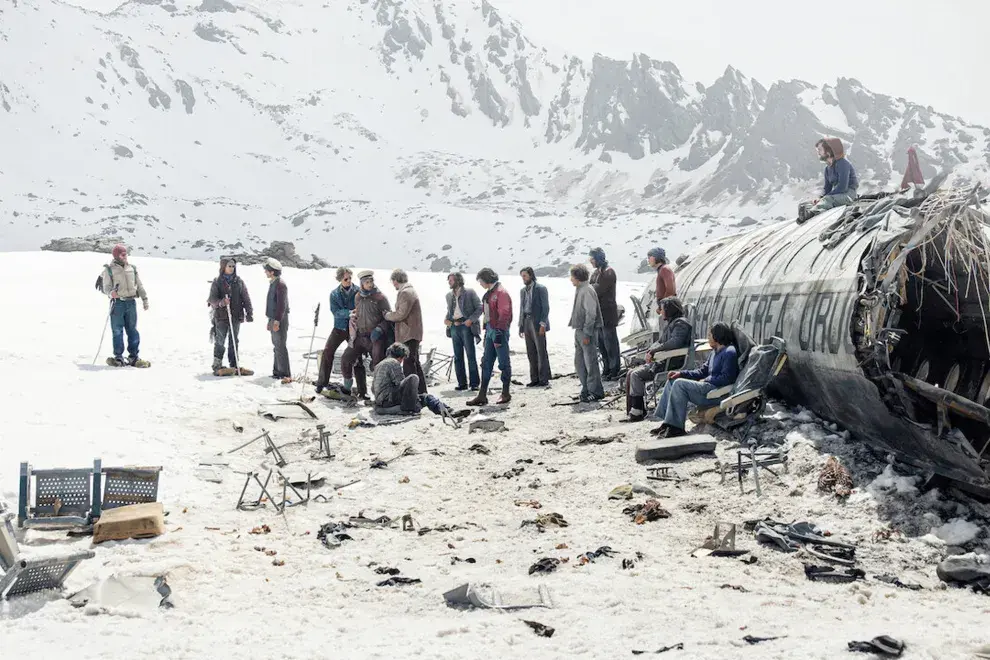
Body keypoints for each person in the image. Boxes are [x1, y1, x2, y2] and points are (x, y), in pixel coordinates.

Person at [650, 322, 739, 438]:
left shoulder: (729, 352)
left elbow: (727, 378)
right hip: (708, 387)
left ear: (717, 336)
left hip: (717, 392)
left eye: (709, 335)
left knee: (679, 385)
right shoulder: (714, 352)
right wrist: (681, 373)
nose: (708, 338)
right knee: (673, 381)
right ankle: (667, 423)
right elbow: (702, 371)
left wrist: (707, 380)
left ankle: (676, 428)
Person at [622, 297, 691, 422]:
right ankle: (635, 410)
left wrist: (655, 351)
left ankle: (637, 411)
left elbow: (675, 342)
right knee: (630, 373)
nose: (660, 311)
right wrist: (650, 351)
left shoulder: (680, 324)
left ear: (669, 310)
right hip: (663, 360)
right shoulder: (672, 324)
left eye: (663, 309)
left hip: (670, 362)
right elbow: (660, 342)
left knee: (635, 375)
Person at [341, 270, 391, 399]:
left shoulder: (381, 298)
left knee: (377, 365)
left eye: (371, 281)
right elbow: (358, 313)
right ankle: (349, 389)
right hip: (360, 336)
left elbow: (388, 318)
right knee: (347, 358)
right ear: (361, 284)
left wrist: (380, 329)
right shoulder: (358, 297)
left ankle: (380, 394)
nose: (369, 284)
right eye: (366, 282)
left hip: (375, 337)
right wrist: (354, 317)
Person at [467, 268, 513, 406]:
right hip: (490, 330)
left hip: (499, 331)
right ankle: (482, 394)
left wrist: (499, 333)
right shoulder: (490, 293)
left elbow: (504, 314)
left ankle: (505, 392)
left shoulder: (501, 293)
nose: (480, 283)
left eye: (480, 280)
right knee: (486, 363)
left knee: (503, 362)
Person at [100, 244, 150, 367]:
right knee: (117, 331)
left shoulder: (132, 268)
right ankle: (118, 357)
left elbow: (140, 285)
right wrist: (111, 293)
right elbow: (106, 287)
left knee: (132, 330)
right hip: (118, 304)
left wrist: (145, 299)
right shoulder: (109, 270)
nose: (125, 256)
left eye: (126, 254)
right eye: (122, 254)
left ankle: (133, 357)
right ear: (116, 256)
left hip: (131, 303)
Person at [207, 257, 253, 374]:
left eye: (233, 266)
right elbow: (212, 300)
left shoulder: (238, 281)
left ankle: (234, 363)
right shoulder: (217, 282)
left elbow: (245, 297)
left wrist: (249, 312)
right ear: (223, 267)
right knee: (220, 340)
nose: (232, 268)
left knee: (234, 340)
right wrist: (221, 302)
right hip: (221, 316)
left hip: (236, 315)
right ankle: (217, 364)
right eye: (229, 266)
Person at [316, 267, 358, 394]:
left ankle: (362, 389)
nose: (349, 281)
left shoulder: (358, 291)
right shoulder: (334, 294)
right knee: (328, 352)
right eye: (346, 279)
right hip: (339, 328)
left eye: (350, 278)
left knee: (357, 355)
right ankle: (322, 383)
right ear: (340, 279)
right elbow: (335, 312)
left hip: (354, 328)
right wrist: (349, 313)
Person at [385, 269, 427, 394]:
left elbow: (400, 314)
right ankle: (421, 391)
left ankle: (412, 393)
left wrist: (387, 315)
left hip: (408, 333)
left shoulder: (405, 293)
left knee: (409, 365)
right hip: (412, 332)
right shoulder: (410, 291)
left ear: (396, 280)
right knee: (415, 363)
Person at [568, 263, 605, 403]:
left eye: (572, 276)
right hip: (579, 330)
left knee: (590, 362)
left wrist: (588, 333)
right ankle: (586, 389)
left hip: (586, 331)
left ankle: (595, 391)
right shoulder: (580, 289)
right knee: (580, 363)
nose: (570, 279)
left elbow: (591, 313)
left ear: (577, 277)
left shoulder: (587, 290)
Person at [444, 272, 482, 391]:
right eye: (449, 280)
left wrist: (471, 320)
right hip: (454, 327)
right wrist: (446, 319)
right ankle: (462, 383)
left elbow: (480, 307)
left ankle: (474, 383)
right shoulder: (448, 296)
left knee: (471, 355)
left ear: (458, 280)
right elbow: (451, 311)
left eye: (451, 280)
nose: (449, 282)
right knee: (457, 356)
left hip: (466, 325)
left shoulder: (469, 292)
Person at [589, 248, 620, 380]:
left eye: (593, 258)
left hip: (607, 314)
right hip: (598, 314)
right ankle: (606, 369)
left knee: (610, 343)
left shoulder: (608, 272)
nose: (591, 261)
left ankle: (614, 370)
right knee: (601, 344)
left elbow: (596, 289)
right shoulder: (596, 273)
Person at [518, 267, 551, 387]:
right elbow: (521, 309)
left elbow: (546, 308)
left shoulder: (541, 289)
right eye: (522, 276)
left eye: (525, 276)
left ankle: (544, 378)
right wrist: (520, 326)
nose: (523, 278)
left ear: (531, 275)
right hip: (526, 321)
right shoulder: (522, 291)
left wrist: (543, 323)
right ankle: (534, 378)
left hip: (537, 322)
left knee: (541, 350)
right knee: (530, 351)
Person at [372, 342, 422, 414]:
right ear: (400, 357)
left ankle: (389, 409)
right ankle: (408, 408)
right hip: (388, 400)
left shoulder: (379, 365)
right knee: (413, 378)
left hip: (380, 401)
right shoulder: (394, 362)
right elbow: (400, 383)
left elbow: (373, 388)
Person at [812, 137, 858, 212]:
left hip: (848, 194)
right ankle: (808, 212)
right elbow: (827, 189)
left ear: (829, 151)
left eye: (820, 150)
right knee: (808, 203)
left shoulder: (843, 163)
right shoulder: (827, 169)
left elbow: (842, 187)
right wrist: (820, 198)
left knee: (827, 200)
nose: (818, 153)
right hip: (837, 195)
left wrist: (824, 198)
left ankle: (812, 213)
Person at [264, 258, 291, 382]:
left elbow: (282, 306)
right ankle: (277, 371)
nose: (265, 272)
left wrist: (276, 321)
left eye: (267, 270)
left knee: (280, 346)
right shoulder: (274, 283)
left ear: (272, 272)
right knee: (276, 346)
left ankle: (284, 373)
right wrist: (270, 321)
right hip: (273, 319)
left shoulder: (280, 285)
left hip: (279, 319)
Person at [647, 247, 676, 315]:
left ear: (656, 257)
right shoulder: (662, 270)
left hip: (667, 307)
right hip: (666, 306)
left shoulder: (664, 269)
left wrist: (662, 306)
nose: (648, 260)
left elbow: (670, 290)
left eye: (650, 257)